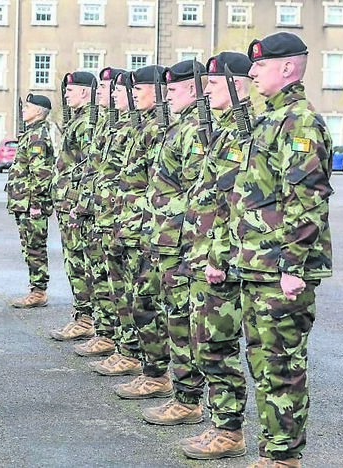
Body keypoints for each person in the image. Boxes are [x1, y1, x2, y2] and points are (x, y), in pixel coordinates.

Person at [234, 32, 333, 468]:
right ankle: (272, 451)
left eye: (261, 65)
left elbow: (307, 199)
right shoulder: (270, 118)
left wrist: (292, 265)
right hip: (258, 266)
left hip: (281, 271)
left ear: (287, 68)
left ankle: (283, 457)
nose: (252, 72)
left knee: (282, 367)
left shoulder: (300, 122)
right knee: (263, 364)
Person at [176, 51, 254, 460]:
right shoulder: (222, 130)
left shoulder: (244, 132)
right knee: (204, 341)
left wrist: (218, 258)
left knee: (216, 345)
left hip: (220, 261)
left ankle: (230, 431)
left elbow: (235, 203)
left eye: (212, 84)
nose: (205, 91)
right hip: (201, 253)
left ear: (236, 85)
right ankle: (220, 424)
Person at [139, 60, 208, 425]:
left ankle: (188, 400)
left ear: (193, 90)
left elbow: (201, 194)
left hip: (183, 245)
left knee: (184, 323)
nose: (170, 94)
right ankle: (181, 394)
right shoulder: (179, 127)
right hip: (166, 239)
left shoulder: (196, 130)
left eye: (176, 88)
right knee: (172, 317)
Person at [112, 65, 173, 399]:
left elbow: (159, 185)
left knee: (149, 304)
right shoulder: (143, 126)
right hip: (133, 226)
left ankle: (156, 372)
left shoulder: (161, 129)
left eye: (140, 89)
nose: (133, 95)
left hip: (151, 231)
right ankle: (147, 365)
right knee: (137, 301)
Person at [70, 67, 126, 358]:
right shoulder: (105, 123)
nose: (105, 93)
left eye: (111, 89)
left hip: (117, 219)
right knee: (99, 276)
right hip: (96, 212)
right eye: (105, 89)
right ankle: (103, 332)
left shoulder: (125, 128)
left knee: (119, 286)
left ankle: (120, 344)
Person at [50, 71, 97, 340]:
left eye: (71, 90)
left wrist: (77, 202)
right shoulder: (78, 120)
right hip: (68, 202)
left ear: (84, 92)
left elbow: (88, 166)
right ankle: (82, 315)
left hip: (76, 205)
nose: (66, 95)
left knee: (81, 261)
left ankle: (86, 318)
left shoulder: (88, 122)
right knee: (73, 261)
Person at [6, 93, 55, 308]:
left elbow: (41, 174)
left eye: (28, 107)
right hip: (23, 202)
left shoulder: (38, 137)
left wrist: (35, 204)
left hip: (31, 204)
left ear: (38, 111)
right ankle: (35, 288)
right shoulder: (31, 133)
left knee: (35, 247)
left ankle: (39, 292)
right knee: (29, 247)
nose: (24, 110)